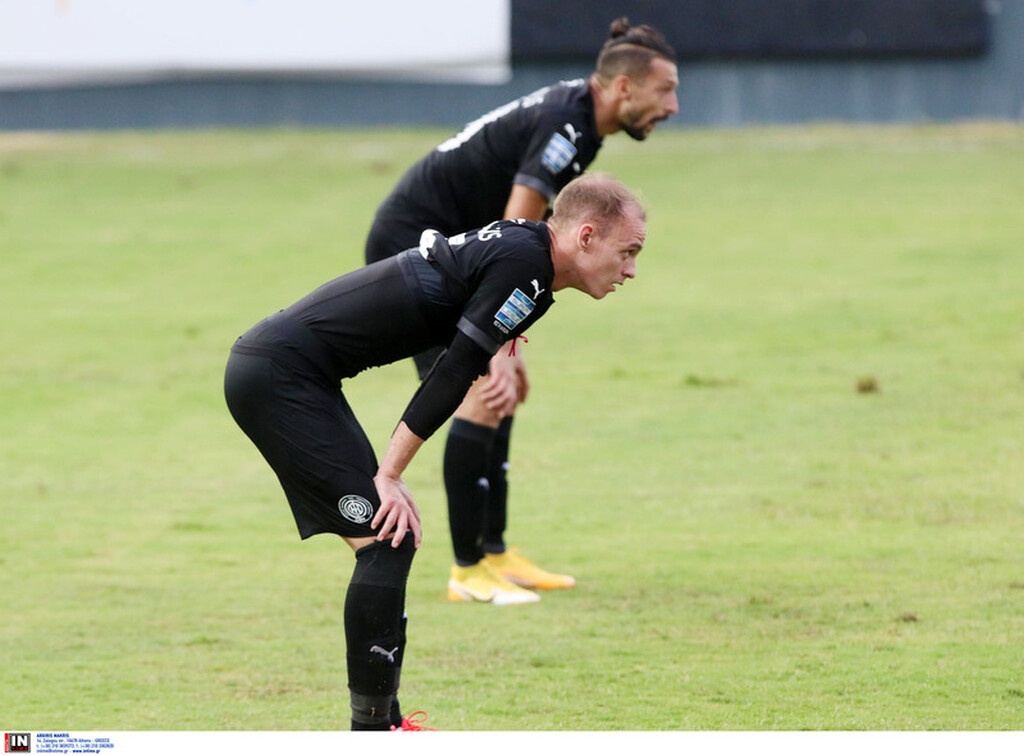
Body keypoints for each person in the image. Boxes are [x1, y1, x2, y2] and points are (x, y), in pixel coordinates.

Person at [224, 173, 647, 730]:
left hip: (297, 374)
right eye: (629, 252)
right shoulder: (528, 266)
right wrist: (390, 473)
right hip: (277, 375)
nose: (632, 270)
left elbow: (466, 347)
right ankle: (374, 730)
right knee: (386, 537)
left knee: (390, 538)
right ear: (587, 236)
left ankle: (386, 724)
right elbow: (453, 372)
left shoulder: (533, 263)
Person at [364, 17, 678, 605]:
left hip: (465, 252)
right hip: (414, 246)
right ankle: (467, 569)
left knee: (501, 389)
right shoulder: (567, 125)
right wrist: (497, 344)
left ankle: (494, 550)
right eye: (665, 90)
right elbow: (519, 227)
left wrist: (505, 338)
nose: (674, 105)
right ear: (624, 89)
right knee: (482, 389)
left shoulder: (581, 119)